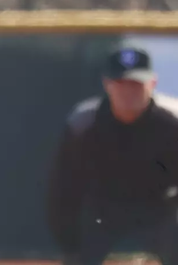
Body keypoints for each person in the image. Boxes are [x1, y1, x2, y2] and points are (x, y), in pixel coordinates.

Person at [47, 47, 178, 265]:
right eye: (120, 83)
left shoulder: (172, 121)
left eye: (136, 84)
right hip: (104, 209)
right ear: (106, 83)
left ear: (152, 84)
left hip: (160, 208)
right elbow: (63, 187)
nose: (128, 91)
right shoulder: (84, 122)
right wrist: (68, 242)